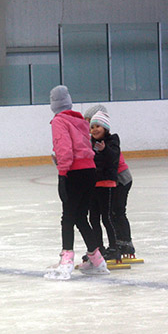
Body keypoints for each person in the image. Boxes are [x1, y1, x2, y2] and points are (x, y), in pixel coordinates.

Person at [45, 85, 109, 280]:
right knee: (81, 217)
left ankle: (67, 260)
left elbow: (64, 148)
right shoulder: (79, 119)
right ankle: (97, 260)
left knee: (68, 217)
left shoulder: (59, 121)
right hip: (89, 171)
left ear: (53, 104)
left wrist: (62, 174)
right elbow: (83, 146)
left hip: (74, 172)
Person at [84, 105, 135, 255]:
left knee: (117, 211)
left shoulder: (108, 142)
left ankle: (125, 243)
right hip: (109, 180)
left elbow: (111, 159)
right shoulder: (95, 140)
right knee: (110, 213)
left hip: (121, 178)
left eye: (90, 121)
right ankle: (116, 243)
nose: (89, 126)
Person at [88, 111, 121, 261]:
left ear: (105, 128)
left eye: (98, 126)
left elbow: (114, 157)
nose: (94, 129)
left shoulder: (112, 140)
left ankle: (114, 248)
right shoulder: (90, 142)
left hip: (107, 183)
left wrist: (104, 149)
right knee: (93, 218)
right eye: (92, 127)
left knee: (106, 218)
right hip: (93, 184)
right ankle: (98, 248)